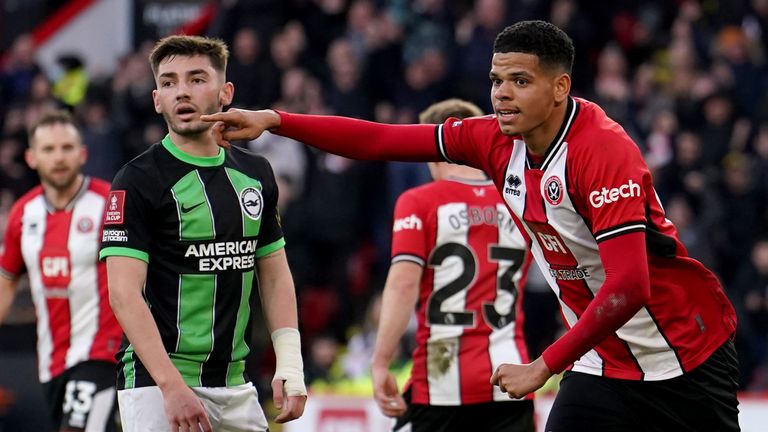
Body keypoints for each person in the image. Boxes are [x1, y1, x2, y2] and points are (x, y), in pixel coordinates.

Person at [202, 20, 740, 432]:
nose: (501, 93)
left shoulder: (602, 150)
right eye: (496, 80)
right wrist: (277, 121)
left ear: (560, 88)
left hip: (682, 354)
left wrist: (542, 366)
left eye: (519, 81)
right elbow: (380, 140)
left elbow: (631, 284)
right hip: (602, 360)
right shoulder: (492, 138)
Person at [99, 35, 306, 432]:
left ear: (225, 92)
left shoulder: (256, 174)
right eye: (169, 82)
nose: (182, 92)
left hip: (234, 381)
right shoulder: (137, 180)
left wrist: (290, 363)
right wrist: (171, 386)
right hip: (157, 382)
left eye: (196, 79)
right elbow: (123, 295)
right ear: (157, 98)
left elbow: (275, 274)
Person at [371, 99, 535, 431]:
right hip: (513, 380)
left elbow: (403, 284)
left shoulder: (419, 202)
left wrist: (381, 361)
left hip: (441, 382)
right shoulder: (521, 202)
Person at [0, 110, 122, 431]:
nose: (59, 157)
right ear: (31, 157)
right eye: (49, 149)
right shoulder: (23, 214)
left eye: (67, 148)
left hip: (104, 351)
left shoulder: (108, 203)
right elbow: (6, 281)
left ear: (82, 154)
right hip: (52, 359)